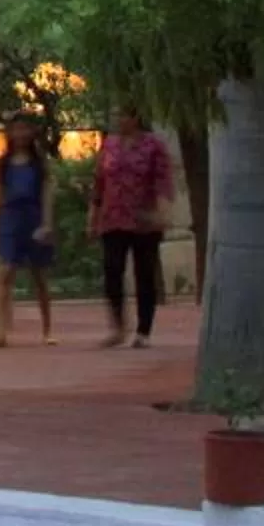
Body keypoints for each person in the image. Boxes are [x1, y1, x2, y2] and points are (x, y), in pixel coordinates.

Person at [91, 106, 177, 348]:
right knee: (112, 269)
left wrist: (161, 212)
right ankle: (117, 326)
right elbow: (99, 181)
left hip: (143, 219)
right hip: (113, 217)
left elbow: (162, 181)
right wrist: (93, 215)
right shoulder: (109, 144)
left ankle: (143, 330)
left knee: (144, 274)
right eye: (115, 115)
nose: (118, 120)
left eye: (122, 115)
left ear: (136, 117)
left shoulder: (153, 145)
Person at [0, 113, 58, 346]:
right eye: (15, 129)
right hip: (11, 217)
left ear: (31, 132)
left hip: (33, 217)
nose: (19, 134)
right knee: (6, 272)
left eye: (24, 129)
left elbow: (47, 192)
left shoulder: (38, 163)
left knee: (39, 276)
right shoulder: (4, 162)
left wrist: (47, 223)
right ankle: (1, 330)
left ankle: (47, 329)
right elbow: (1, 193)